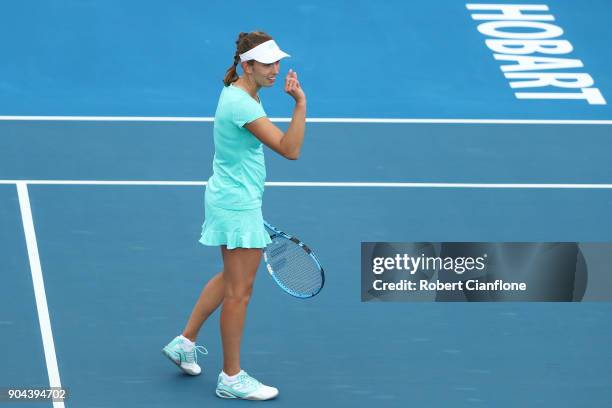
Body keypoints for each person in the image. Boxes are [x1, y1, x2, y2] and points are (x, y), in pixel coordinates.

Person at [162, 31, 306, 401]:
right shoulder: (244, 104)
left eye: (278, 62)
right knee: (240, 293)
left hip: (232, 198)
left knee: (231, 278)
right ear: (248, 65)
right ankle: (231, 377)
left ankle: (184, 342)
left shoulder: (240, 92)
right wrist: (300, 105)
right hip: (237, 205)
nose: (276, 69)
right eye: (269, 63)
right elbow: (290, 150)